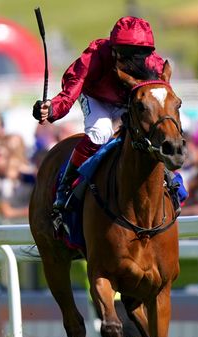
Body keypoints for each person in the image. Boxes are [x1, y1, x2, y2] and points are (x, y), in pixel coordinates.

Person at [32, 16, 166, 226]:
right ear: (114, 49)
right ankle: (65, 186)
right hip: (96, 97)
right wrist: (51, 109)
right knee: (100, 132)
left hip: (130, 99)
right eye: (126, 56)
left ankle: (170, 181)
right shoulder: (94, 56)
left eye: (138, 57)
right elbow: (71, 92)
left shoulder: (154, 63)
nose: (133, 63)